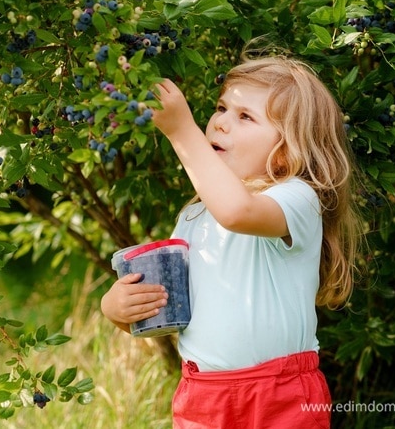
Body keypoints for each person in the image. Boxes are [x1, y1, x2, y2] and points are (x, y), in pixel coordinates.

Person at [101, 52, 361, 428]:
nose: (220, 122)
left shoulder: (297, 198)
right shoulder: (193, 216)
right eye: (222, 107)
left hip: (280, 395)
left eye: (245, 117)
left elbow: (238, 212)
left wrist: (180, 131)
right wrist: (119, 309)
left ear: (287, 151)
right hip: (203, 396)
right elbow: (171, 313)